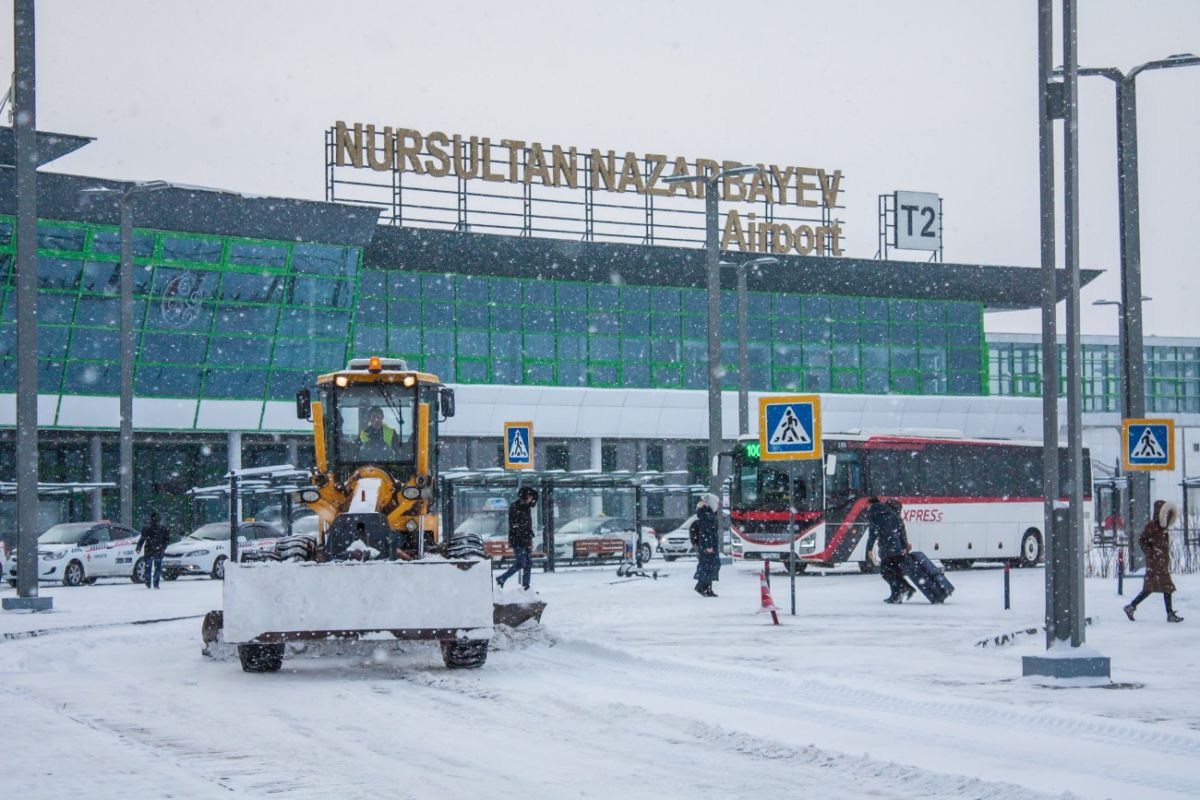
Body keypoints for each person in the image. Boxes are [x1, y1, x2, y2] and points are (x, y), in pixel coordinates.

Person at [1124, 500, 1183, 623]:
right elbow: (1142, 540)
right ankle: (1169, 614)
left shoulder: (1164, 528)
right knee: (1165, 586)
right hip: (1155, 563)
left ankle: (1131, 606)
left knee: (1151, 587)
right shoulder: (1152, 526)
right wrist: (1151, 553)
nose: (1167, 516)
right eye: (1165, 513)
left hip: (1160, 562)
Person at [864, 497, 915, 603]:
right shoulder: (892, 513)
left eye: (867, 506)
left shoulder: (874, 513)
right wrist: (904, 545)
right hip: (896, 546)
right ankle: (899, 593)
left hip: (886, 546)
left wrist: (869, 549)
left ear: (870, 504)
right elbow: (901, 531)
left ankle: (902, 590)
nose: (867, 508)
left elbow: (872, 533)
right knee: (895, 571)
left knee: (885, 571)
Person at [496, 486, 537, 590]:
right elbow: (515, 524)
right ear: (526, 496)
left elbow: (526, 524)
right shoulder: (515, 507)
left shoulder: (526, 508)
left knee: (528, 563)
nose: (531, 499)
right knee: (521, 562)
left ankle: (526, 587)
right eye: (530, 497)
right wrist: (524, 532)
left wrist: (529, 533)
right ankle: (502, 578)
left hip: (525, 539)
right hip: (518, 540)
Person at [693, 493, 721, 597]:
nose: (718, 505)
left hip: (708, 544)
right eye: (717, 503)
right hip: (708, 545)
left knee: (710, 565)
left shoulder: (707, 514)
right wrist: (708, 546)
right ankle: (702, 586)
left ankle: (707, 588)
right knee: (709, 566)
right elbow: (707, 532)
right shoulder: (707, 515)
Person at [136, 510, 171, 590]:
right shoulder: (163, 528)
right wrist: (163, 547)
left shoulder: (147, 528)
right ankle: (155, 584)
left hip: (149, 549)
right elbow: (167, 540)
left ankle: (148, 583)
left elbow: (142, 538)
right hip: (158, 550)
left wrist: (139, 548)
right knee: (157, 568)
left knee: (148, 567)